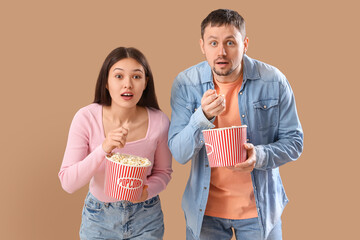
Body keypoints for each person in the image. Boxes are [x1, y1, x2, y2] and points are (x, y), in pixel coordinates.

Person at [168, 9, 303, 240]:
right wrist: (202, 117)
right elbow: (179, 153)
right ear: (202, 46)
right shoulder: (186, 83)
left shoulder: (273, 80)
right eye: (213, 43)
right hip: (204, 211)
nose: (221, 52)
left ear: (245, 44)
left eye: (230, 42)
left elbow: (295, 142)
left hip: (260, 210)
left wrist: (258, 156)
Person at [59, 47, 172, 240]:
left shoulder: (160, 121)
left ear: (146, 83)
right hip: (98, 219)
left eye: (136, 77)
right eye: (118, 76)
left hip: (146, 217)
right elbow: (68, 183)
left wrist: (146, 192)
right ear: (106, 82)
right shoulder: (86, 117)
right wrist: (103, 149)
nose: (127, 84)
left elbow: (163, 173)